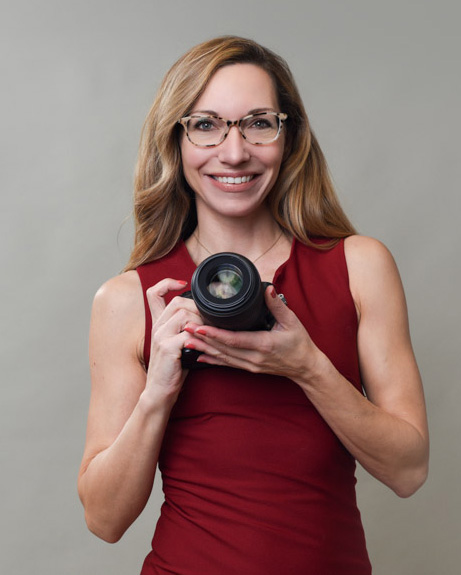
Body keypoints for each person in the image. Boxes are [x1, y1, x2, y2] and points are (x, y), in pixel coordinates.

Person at [78, 36, 429, 574]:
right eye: (206, 124)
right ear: (177, 140)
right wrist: (158, 392)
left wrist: (309, 368)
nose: (235, 151)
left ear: (289, 137)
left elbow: (409, 471)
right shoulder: (130, 300)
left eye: (259, 123)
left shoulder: (360, 267)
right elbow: (104, 521)